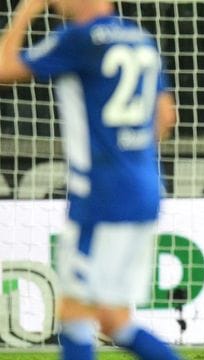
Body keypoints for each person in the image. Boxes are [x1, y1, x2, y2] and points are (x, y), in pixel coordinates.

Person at [0, 1, 179, 360]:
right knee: (114, 321)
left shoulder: (79, 39)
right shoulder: (140, 38)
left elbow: (4, 68)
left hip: (102, 195)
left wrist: (26, 11)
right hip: (144, 188)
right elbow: (165, 116)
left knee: (74, 315)